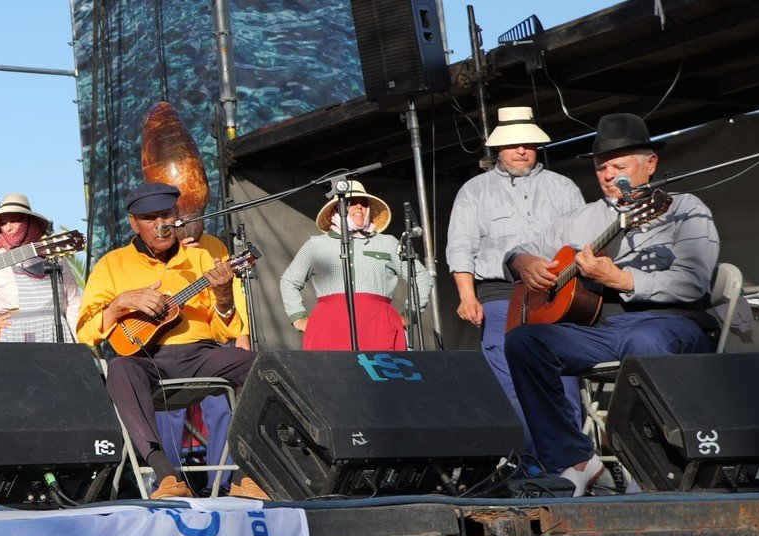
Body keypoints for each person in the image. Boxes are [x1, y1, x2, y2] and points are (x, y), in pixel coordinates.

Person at [504, 113, 719, 496]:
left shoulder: (684, 208)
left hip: (672, 324)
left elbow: (694, 280)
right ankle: (574, 461)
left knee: (645, 343)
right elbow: (521, 252)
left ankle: (661, 467)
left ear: (650, 164)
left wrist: (621, 279)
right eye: (601, 167)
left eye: (619, 166)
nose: (608, 175)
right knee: (524, 342)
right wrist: (522, 263)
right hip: (604, 332)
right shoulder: (578, 219)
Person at [75, 182, 267, 500]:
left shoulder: (206, 255)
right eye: (150, 218)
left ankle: (246, 476)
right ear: (134, 223)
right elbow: (85, 332)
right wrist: (120, 303)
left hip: (202, 354)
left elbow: (226, 330)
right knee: (121, 369)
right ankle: (166, 477)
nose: (160, 224)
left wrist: (222, 297)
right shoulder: (112, 264)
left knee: (264, 368)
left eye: (166, 214)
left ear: (177, 215)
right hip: (148, 360)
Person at [446, 106, 587, 431]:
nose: (521, 150)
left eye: (527, 143)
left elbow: (582, 241)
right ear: (499, 148)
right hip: (500, 295)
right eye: (512, 144)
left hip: (556, 292)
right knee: (510, 381)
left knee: (562, 381)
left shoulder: (563, 187)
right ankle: (528, 467)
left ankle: (573, 465)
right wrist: (467, 297)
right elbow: (460, 246)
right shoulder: (475, 190)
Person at [280, 182, 433, 350]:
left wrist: (408, 315)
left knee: (380, 374)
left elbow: (421, 276)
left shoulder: (388, 243)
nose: (359, 206)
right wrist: (298, 318)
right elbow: (289, 281)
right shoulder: (316, 245)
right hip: (328, 328)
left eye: (364, 203)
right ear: (336, 209)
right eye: (352, 202)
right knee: (332, 375)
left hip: (379, 328)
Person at [0, 193, 80, 343]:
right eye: (4, 223)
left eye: (14, 220)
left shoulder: (56, 259)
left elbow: (73, 302)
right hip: (11, 338)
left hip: (56, 336)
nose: (9, 228)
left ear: (29, 222)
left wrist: (79, 344)